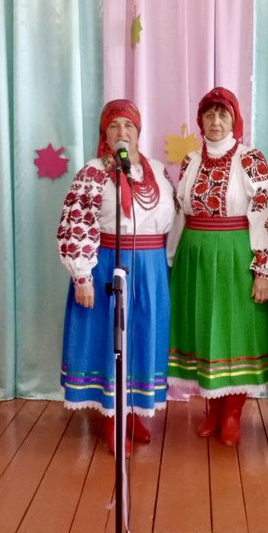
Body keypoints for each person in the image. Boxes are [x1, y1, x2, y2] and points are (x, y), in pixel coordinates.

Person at [57, 99, 175, 456]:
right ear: (104, 134)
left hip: (151, 267)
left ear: (139, 132)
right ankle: (113, 420)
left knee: (142, 340)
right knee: (113, 343)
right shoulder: (93, 172)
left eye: (129, 126)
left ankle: (135, 413)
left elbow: (173, 220)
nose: (122, 132)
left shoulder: (157, 170)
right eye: (114, 126)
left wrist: (167, 266)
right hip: (109, 263)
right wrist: (82, 276)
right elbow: (77, 223)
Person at [167, 87, 268, 446]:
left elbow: (264, 216)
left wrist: (263, 271)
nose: (215, 122)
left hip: (234, 255)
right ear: (200, 120)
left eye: (223, 115)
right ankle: (212, 410)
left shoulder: (250, 159)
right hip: (194, 256)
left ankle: (232, 413)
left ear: (234, 121)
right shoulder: (190, 161)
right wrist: (172, 260)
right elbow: (180, 213)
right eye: (209, 115)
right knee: (203, 329)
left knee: (235, 331)